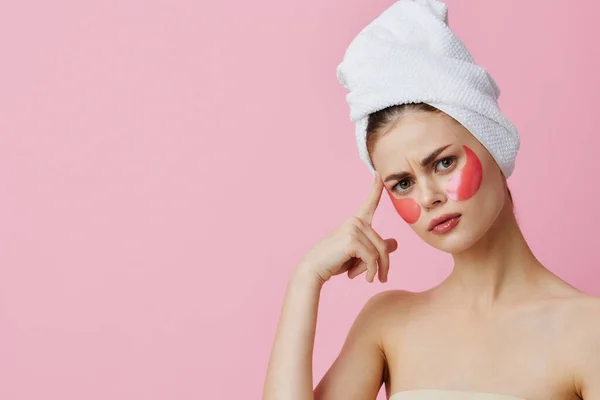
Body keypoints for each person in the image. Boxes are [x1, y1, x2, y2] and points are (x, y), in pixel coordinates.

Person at [262, 1, 600, 399]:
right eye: (402, 183)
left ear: (493, 141)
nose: (428, 197)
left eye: (443, 163)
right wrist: (306, 279)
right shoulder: (388, 323)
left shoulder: (587, 332)